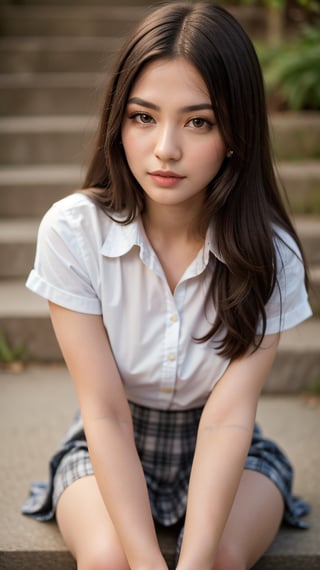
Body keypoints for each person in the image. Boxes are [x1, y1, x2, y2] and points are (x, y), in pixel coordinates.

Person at [22, 2, 312, 569]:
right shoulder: (73, 232)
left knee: (222, 558)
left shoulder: (270, 253)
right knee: (110, 559)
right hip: (108, 438)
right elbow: (104, 412)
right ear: (118, 121)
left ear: (236, 131)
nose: (165, 150)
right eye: (143, 117)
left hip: (232, 447)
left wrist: (195, 562)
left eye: (198, 121)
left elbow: (230, 418)